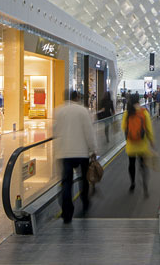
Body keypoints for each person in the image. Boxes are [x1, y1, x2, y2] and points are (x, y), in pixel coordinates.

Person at [54, 91, 96, 223]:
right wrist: (93, 149)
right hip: (82, 152)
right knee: (84, 178)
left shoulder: (59, 111)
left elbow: (55, 131)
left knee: (66, 182)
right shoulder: (83, 111)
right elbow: (89, 131)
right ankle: (85, 202)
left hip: (65, 153)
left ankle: (67, 212)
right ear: (77, 97)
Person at [122, 94, 155, 197]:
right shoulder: (144, 112)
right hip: (142, 144)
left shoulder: (127, 113)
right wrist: (151, 141)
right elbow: (149, 129)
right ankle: (145, 185)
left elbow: (123, 127)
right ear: (139, 101)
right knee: (143, 165)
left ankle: (132, 183)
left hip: (131, 144)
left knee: (131, 164)